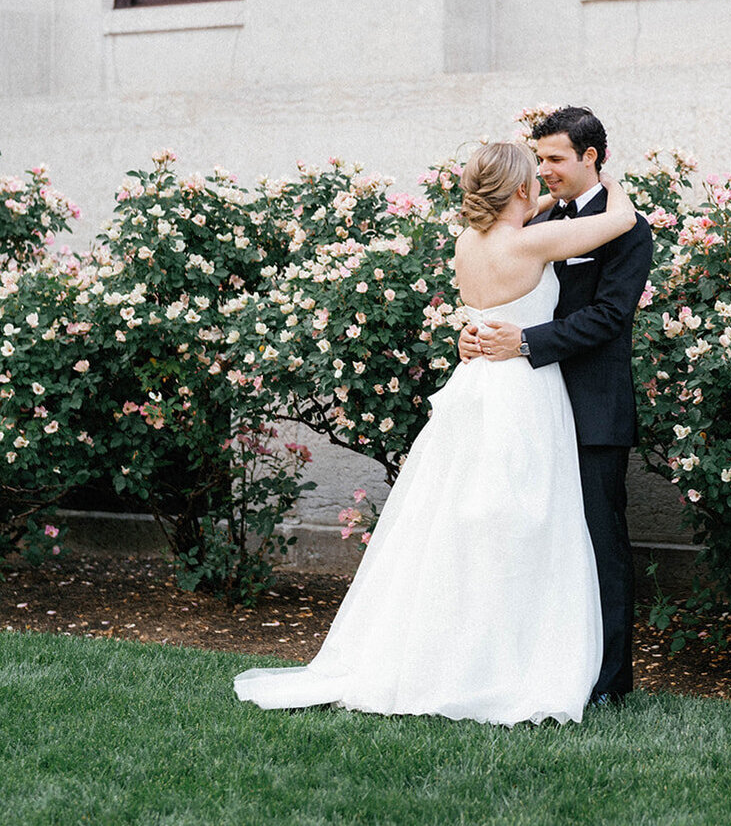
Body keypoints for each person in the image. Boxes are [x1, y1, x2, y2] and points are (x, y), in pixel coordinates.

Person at [233, 139, 638, 725]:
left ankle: (450, 654)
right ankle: (508, 662)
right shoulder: (531, 240)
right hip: (521, 392)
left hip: (473, 389)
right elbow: (620, 218)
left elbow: (486, 305)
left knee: (455, 521)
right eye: (535, 175)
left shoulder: (468, 242)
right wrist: (608, 178)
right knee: (522, 521)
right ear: (521, 189)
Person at [461, 106, 654, 706]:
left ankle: (609, 682)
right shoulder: (534, 222)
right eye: (537, 158)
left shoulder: (626, 229)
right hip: (527, 409)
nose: (543, 170)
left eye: (555, 159)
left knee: (600, 543)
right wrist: (475, 334)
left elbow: (609, 316)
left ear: (590, 157)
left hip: (591, 408)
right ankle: (542, 663)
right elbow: (504, 293)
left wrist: (522, 343)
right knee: (536, 540)